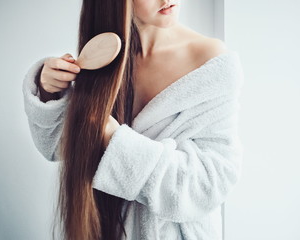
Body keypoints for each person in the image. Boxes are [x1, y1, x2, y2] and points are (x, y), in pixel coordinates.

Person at [22, 0, 244, 239]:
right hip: (104, 229)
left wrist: (114, 139)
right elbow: (56, 148)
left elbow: (210, 184)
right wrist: (49, 92)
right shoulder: (101, 57)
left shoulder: (212, 63)